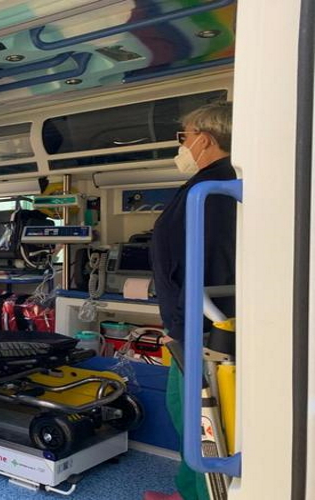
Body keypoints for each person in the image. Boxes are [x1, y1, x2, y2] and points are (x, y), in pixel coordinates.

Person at [144, 101, 237, 500]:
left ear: (204, 138)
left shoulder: (214, 189)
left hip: (202, 330)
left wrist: (185, 328)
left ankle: (202, 494)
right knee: (185, 416)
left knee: (202, 421)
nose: (182, 146)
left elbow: (207, 263)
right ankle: (187, 491)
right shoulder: (208, 185)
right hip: (191, 325)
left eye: (185, 137)